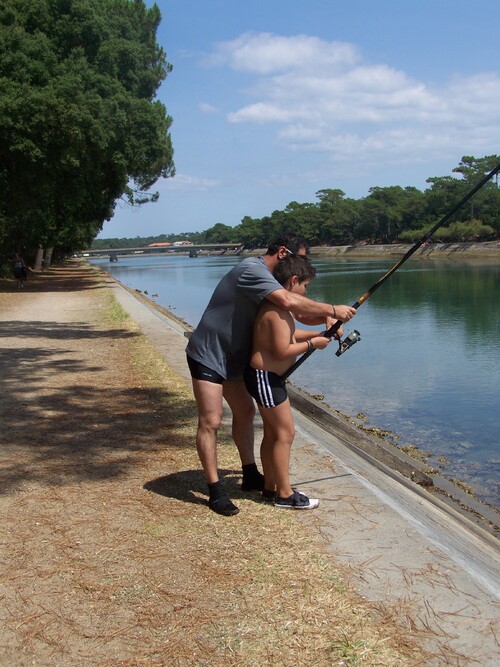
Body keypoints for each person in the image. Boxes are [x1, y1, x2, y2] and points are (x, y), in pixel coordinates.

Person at [186, 233, 356, 516]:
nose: (301, 266)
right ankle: (215, 490)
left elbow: (295, 314)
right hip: (209, 353)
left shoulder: (275, 282)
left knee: (245, 413)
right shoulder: (252, 269)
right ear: (282, 253)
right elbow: (289, 303)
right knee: (211, 420)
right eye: (299, 259)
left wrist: (327, 320)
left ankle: (251, 473)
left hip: (236, 360)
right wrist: (331, 309)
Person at [244, 255, 330, 509]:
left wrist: (319, 334)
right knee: (285, 434)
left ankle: (271, 488)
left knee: (273, 434)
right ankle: (284, 495)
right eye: (305, 286)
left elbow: (289, 335)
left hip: (270, 379)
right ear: (293, 281)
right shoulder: (276, 310)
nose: (306, 291)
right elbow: (282, 350)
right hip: (265, 379)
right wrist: (314, 344)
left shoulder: (279, 307)